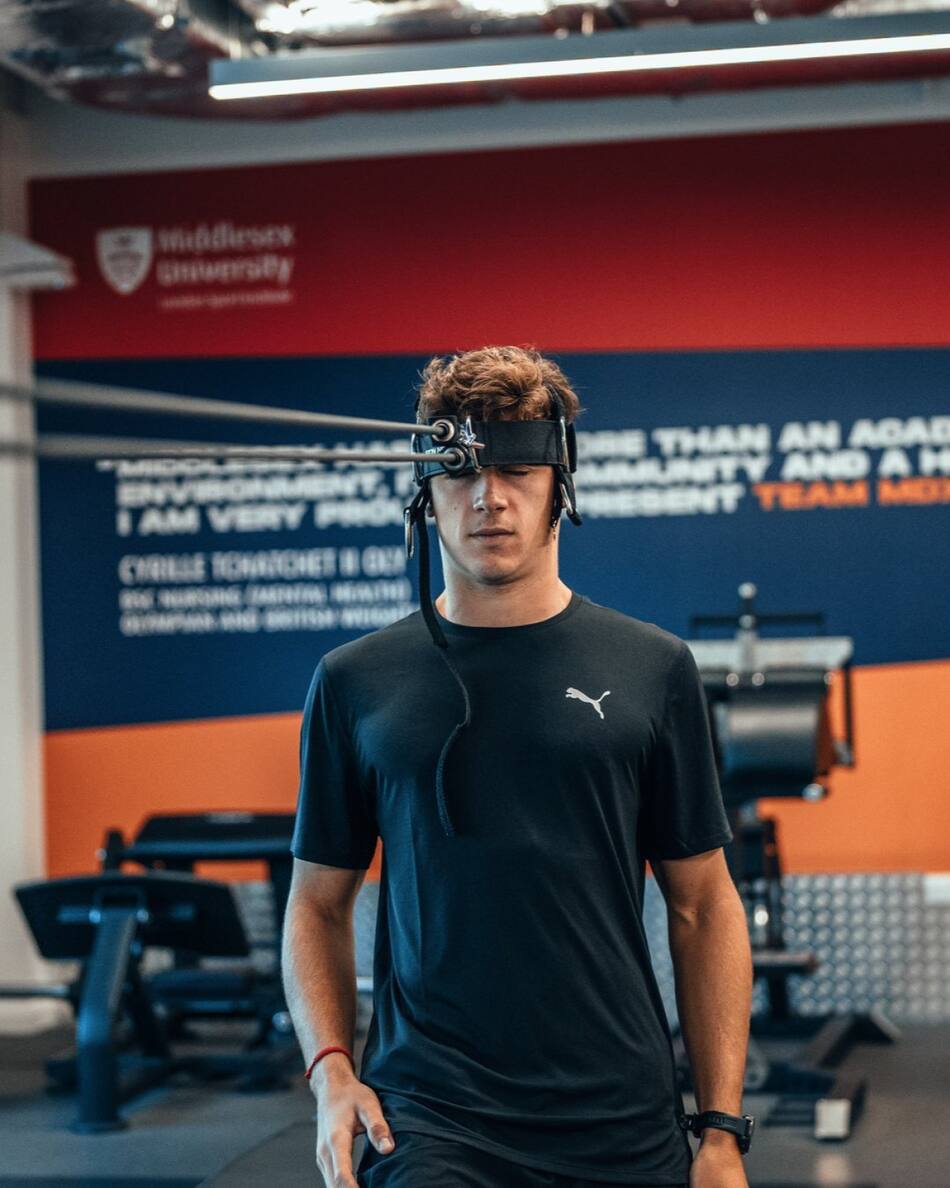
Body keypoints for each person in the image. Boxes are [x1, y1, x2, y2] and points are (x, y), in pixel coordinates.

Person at [283, 346, 754, 1188]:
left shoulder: (653, 668)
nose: (489, 498)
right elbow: (317, 905)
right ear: (424, 493)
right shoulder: (354, 681)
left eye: (517, 469)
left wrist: (719, 1131)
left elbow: (703, 905)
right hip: (429, 1117)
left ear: (560, 487)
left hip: (620, 1113)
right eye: (461, 474)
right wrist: (329, 1073)